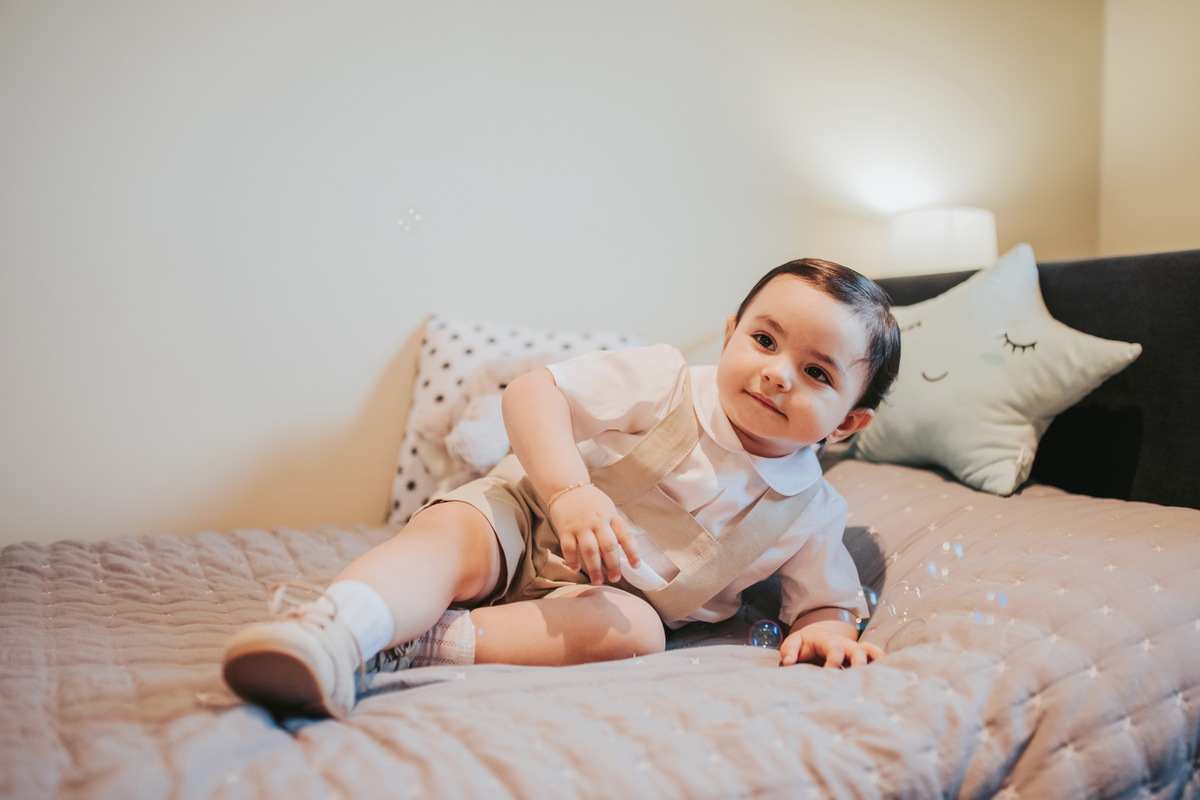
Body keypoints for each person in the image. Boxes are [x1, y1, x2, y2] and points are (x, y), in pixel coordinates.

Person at [222, 258, 902, 718]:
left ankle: (412, 643)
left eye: (817, 373)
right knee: (450, 536)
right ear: (730, 336)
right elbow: (533, 391)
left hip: (602, 599)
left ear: (849, 422)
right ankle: (337, 627)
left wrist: (826, 633)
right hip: (527, 516)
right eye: (764, 340)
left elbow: (825, 603)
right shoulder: (665, 381)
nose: (778, 373)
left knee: (637, 634)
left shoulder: (811, 513)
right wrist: (569, 490)